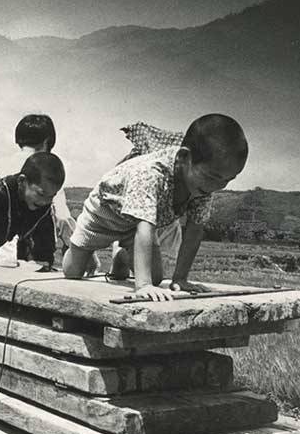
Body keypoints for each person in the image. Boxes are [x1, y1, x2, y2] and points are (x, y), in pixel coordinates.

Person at [63, 114, 248, 301]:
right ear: (184, 157)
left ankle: (121, 254)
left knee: (156, 278)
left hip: (134, 228)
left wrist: (180, 278)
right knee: (73, 272)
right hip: (103, 217)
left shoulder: (202, 188)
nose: (217, 186)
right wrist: (143, 285)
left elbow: (195, 230)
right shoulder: (150, 174)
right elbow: (145, 227)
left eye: (228, 180)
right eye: (212, 177)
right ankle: (82, 250)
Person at [0, 114, 99, 272]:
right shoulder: (47, 168)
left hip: (3, 253)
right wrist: (87, 257)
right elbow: (62, 216)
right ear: (48, 141)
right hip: (37, 256)